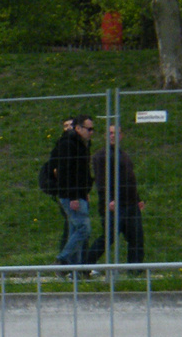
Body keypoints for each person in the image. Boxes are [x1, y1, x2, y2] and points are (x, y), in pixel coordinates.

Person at [88, 124, 145, 264]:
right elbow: (101, 182)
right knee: (108, 238)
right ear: (105, 136)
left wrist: (137, 199)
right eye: (110, 133)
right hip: (115, 205)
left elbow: (130, 178)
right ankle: (84, 265)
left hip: (131, 205)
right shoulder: (101, 156)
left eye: (116, 133)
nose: (113, 136)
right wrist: (109, 200)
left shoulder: (123, 154)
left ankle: (134, 271)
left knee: (136, 238)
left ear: (121, 136)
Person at [48, 114, 95, 265]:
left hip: (78, 193)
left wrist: (85, 192)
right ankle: (62, 259)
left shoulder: (81, 144)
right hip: (71, 195)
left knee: (75, 231)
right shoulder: (69, 143)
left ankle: (75, 269)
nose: (91, 132)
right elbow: (67, 172)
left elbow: (82, 172)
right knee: (83, 228)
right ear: (79, 128)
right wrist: (74, 196)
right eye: (89, 129)